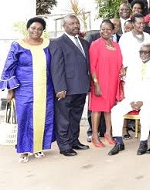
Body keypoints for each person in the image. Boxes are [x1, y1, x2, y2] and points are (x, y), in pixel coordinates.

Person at [1, 17, 55, 162]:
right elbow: (8, 67)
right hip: (24, 89)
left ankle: (38, 148)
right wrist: (11, 91)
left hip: (45, 88)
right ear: (28, 28)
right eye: (33, 28)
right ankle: (24, 150)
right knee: (25, 118)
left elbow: (54, 66)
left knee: (43, 118)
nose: (35, 31)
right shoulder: (18, 45)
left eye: (39, 29)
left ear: (43, 31)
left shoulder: (47, 44)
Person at [108, 44, 150, 156]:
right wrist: (132, 101)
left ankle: (143, 142)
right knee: (116, 110)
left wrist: (142, 101)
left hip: (149, 98)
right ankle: (119, 142)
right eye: (141, 52)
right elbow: (128, 85)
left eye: (146, 52)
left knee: (145, 113)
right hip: (132, 98)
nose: (143, 54)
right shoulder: (132, 66)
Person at [50, 14, 91, 156]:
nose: (75, 26)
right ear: (64, 26)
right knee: (63, 118)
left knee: (75, 117)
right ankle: (64, 146)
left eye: (77, 23)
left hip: (81, 87)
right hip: (66, 89)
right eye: (71, 23)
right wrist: (60, 87)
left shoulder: (84, 42)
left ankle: (74, 141)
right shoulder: (57, 42)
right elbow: (57, 67)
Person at [88, 20, 124, 148]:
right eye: (103, 29)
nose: (105, 31)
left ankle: (108, 133)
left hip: (113, 81)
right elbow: (92, 66)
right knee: (97, 108)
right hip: (100, 81)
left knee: (110, 108)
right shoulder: (95, 44)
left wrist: (122, 69)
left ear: (113, 31)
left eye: (108, 29)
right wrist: (96, 83)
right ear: (100, 30)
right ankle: (94, 135)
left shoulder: (116, 45)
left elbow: (120, 62)